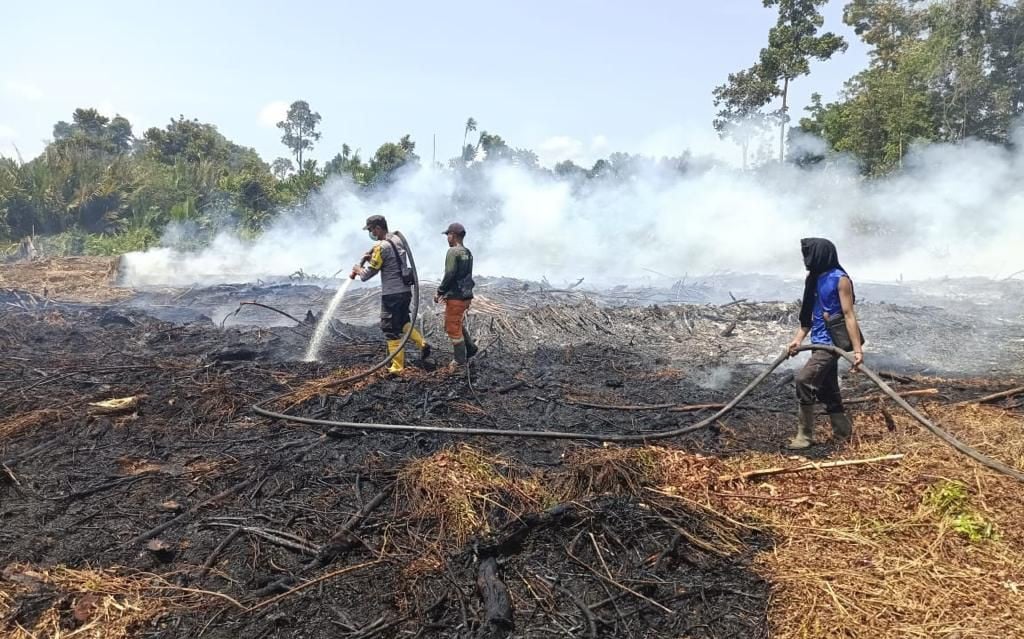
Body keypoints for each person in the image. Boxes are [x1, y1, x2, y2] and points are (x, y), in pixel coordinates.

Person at [785, 237, 864, 449]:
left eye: (808, 255)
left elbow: (848, 315)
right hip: (817, 341)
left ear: (820, 255)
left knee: (804, 380)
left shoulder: (841, 279)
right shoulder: (813, 279)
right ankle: (843, 432)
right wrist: (797, 340)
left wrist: (857, 351)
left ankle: (804, 436)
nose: (805, 260)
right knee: (828, 387)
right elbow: (808, 315)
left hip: (832, 344)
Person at [350, 215, 430, 373]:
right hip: (405, 291)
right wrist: (372, 252)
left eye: (371, 230)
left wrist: (357, 268)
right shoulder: (396, 239)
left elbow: (366, 275)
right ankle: (422, 343)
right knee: (403, 322)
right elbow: (387, 251)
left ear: (378, 228)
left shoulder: (382, 248)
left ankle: (397, 367)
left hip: (391, 295)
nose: (371, 233)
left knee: (390, 329)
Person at [434, 222, 477, 368]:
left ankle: (459, 360)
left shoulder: (453, 252)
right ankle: (470, 348)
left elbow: (450, 273)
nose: (447, 238)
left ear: (454, 235)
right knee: (457, 322)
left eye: (448, 235)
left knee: (451, 326)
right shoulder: (468, 252)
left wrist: (440, 291)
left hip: (456, 297)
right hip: (466, 296)